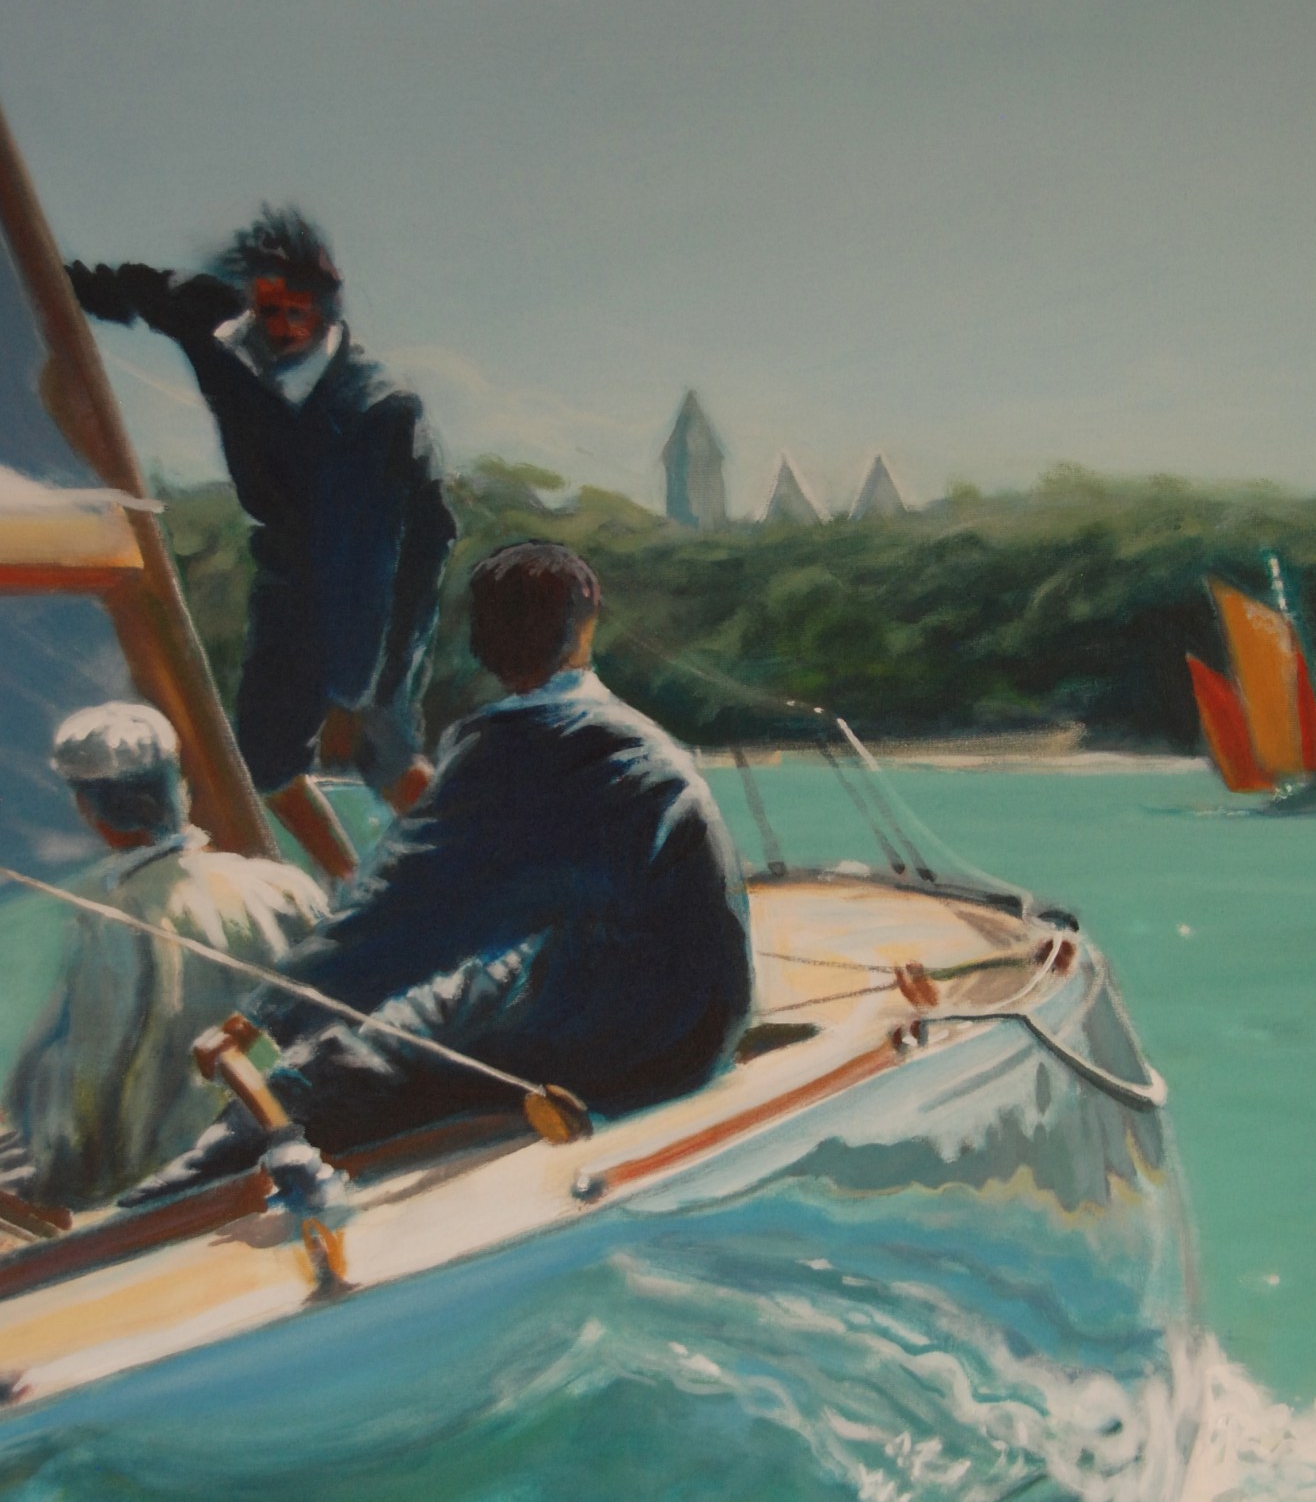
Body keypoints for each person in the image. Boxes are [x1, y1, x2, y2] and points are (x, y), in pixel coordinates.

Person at [127, 542, 755, 1199]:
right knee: (449, 997)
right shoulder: (637, 739)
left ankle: (167, 1200)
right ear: (587, 626)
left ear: (483, 642)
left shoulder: (509, 747)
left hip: (624, 1039)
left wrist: (261, 1016)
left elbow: (395, 909)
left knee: (353, 1057)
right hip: (702, 1023)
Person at [65, 208, 457, 881]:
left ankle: (460, 873)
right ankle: (351, 886)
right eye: (267, 309)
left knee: (382, 748)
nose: (277, 327)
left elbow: (362, 563)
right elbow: (138, 291)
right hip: (291, 558)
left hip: (391, 577)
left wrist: (348, 695)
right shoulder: (215, 322)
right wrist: (48, 284)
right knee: (267, 758)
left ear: (326, 311)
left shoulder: (376, 410)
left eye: (295, 313)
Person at [2, 703, 327, 1211]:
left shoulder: (111, 925)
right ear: (180, 789)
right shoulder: (286, 887)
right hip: (307, 1130)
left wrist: (45, 1165)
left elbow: (94, 1086)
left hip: (186, 1178)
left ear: (89, 811)